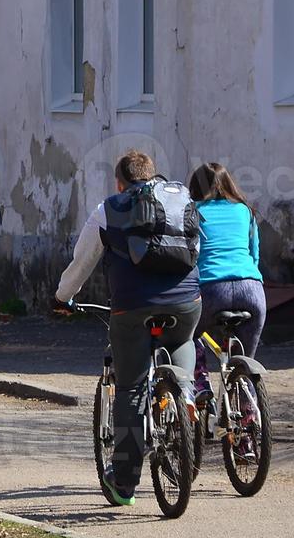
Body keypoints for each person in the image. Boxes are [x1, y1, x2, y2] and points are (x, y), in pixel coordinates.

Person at [53, 150, 202, 507]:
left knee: (131, 387)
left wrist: (63, 296)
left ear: (120, 182)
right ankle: (186, 398)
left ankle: (124, 484)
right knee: (182, 339)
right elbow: (199, 247)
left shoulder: (109, 208)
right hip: (187, 303)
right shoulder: (182, 201)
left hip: (132, 308)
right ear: (155, 175)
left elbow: (83, 261)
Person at [187, 162, 266, 403]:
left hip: (210, 289)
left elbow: (188, 256)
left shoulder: (192, 212)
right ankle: (247, 424)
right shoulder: (245, 211)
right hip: (252, 291)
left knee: (187, 335)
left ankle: (201, 384)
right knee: (243, 363)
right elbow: (255, 257)